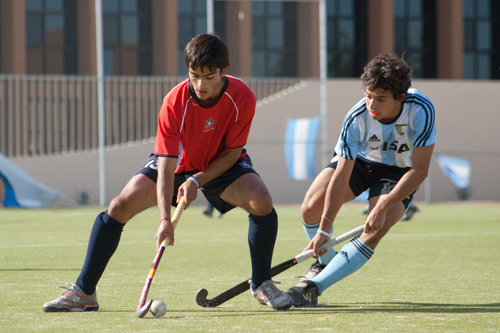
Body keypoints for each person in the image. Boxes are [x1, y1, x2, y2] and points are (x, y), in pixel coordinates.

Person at [43, 33, 293, 312]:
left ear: (224, 71)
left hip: (222, 164)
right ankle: (84, 293)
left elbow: (233, 153)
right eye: (194, 75)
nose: (200, 84)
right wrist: (165, 219)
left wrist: (197, 181)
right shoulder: (174, 103)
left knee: (262, 201)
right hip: (176, 165)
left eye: (209, 76)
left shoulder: (242, 96)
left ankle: (262, 284)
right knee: (119, 206)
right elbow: (165, 165)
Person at [286, 54, 436, 307]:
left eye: (380, 99)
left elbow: (420, 170)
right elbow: (341, 175)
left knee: (381, 223)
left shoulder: (421, 110)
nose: (371, 104)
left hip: (399, 171)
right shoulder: (356, 117)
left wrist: (380, 207)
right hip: (362, 162)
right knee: (311, 207)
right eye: (368, 95)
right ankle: (324, 263)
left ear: (400, 97)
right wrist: (324, 229)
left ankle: (313, 288)